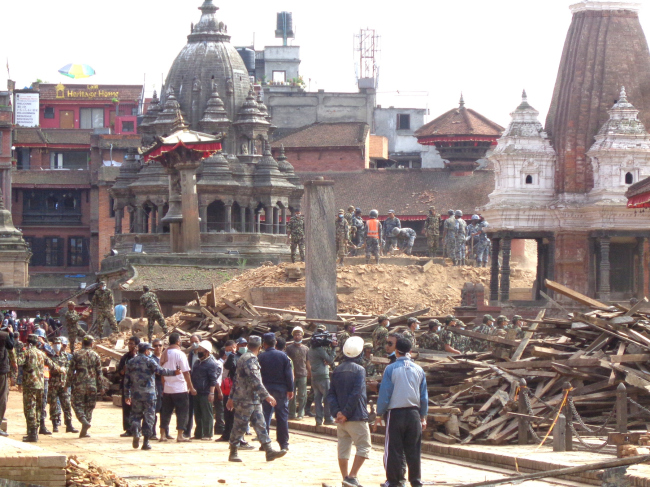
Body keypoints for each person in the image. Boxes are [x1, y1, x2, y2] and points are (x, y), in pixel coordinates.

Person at [375, 337, 428, 487]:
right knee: (413, 449)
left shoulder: (390, 369)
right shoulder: (419, 369)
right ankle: (416, 481)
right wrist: (423, 416)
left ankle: (395, 481)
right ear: (410, 351)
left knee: (394, 449)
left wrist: (379, 413)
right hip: (414, 414)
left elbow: (385, 394)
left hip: (395, 414)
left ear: (396, 351)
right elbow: (424, 396)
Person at [226, 335, 287, 462]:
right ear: (261, 346)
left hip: (252, 399)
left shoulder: (245, 357)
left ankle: (269, 450)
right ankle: (233, 451)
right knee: (240, 425)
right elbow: (255, 379)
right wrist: (267, 396)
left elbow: (236, 380)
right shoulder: (250, 359)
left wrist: (231, 397)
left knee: (261, 425)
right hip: (246, 400)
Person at [327, 337, 371, 487]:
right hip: (356, 416)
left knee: (343, 447)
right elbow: (356, 393)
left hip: (341, 419)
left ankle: (345, 476)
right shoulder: (360, 370)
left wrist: (337, 412)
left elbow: (331, 394)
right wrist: (345, 413)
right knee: (364, 446)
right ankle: (352, 476)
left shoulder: (337, 370)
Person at [125, 342, 179, 450]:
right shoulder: (150, 361)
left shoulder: (130, 362)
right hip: (149, 394)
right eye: (149, 350)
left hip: (136, 394)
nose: (150, 352)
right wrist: (174, 372)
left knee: (136, 415)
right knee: (149, 417)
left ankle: (136, 430)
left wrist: (127, 395)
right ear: (146, 351)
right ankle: (146, 442)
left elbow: (127, 380)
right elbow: (161, 371)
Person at [18, 334, 61, 442]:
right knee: (38, 408)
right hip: (41, 385)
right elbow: (52, 365)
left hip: (30, 385)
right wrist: (62, 369)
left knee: (30, 409)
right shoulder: (41, 354)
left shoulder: (26, 353)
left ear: (27, 342)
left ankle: (32, 433)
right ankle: (34, 431)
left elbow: (18, 361)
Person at [258, 333, 294, 451]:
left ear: (264, 344)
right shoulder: (283, 356)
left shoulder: (261, 357)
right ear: (276, 343)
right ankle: (284, 443)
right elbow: (289, 375)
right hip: (281, 390)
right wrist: (290, 389)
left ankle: (265, 443)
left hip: (265, 391)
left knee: (265, 416)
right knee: (282, 416)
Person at [159, 332, 195, 443]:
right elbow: (186, 372)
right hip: (180, 388)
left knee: (165, 412)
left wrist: (164, 385)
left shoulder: (164, 353)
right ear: (178, 341)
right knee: (182, 412)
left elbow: (161, 372)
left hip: (167, 388)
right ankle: (180, 435)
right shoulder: (180, 354)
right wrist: (191, 387)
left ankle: (163, 435)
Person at [219, 337, 253, 448]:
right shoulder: (234, 356)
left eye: (245, 345)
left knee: (240, 415)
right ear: (237, 346)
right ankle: (236, 439)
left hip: (244, 389)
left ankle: (238, 439)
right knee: (233, 414)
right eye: (241, 345)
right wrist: (231, 356)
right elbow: (227, 367)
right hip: (234, 389)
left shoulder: (249, 356)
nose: (243, 347)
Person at [68, 335, 103, 438]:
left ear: (82, 343)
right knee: (89, 406)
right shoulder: (95, 355)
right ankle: (85, 426)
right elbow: (99, 372)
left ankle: (83, 420)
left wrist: (67, 384)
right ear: (92, 344)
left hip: (79, 384)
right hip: (92, 385)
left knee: (76, 404)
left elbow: (70, 371)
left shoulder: (76, 354)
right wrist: (101, 387)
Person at [190, 340, 220, 441]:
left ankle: (208, 433)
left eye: (201, 350)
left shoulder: (211, 363)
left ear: (207, 351)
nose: (199, 352)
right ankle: (199, 433)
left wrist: (211, 393)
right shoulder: (197, 362)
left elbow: (213, 380)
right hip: (196, 391)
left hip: (206, 392)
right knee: (198, 414)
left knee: (207, 413)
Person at [47, 337, 78, 433]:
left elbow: (70, 369)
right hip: (53, 384)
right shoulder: (50, 357)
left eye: (59, 343)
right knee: (53, 405)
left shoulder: (66, 356)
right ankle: (55, 424)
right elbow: (49, 369)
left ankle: (69, 424)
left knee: (67, 404)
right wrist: (59, 369)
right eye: (55, 343)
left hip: (64, 384)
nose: (57, 345)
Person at [308, 327, 336, 426]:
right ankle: (328, 418)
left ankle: (318, 420)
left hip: (314, 376)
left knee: (317, 399)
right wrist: (333, 349)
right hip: (323, 376)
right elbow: (330, 359)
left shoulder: (311, 349)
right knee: (327, 398)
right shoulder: (319, 350)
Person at [285, 327, 310, 419]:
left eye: (299, 334)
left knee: (302, 394)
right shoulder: (289, 348)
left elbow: (307, 361)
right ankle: (292, 413)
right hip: (292, 375)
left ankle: (301, 413)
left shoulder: (306, 349)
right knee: (292, 395)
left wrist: (310, 372)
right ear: (293, 336)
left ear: (302, 336)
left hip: (303, 374)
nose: (297, 336)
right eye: (295, 335)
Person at [117, 336, 140, 437]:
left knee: (138, 408)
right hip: (127, 386)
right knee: (127, 408)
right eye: (129, 344)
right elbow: (119, 372)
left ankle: (138, 429)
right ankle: (128, 429)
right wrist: (124, 370)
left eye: (132, 344)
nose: (130, 346)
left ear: (136, 346)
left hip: (139, 387)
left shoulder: (140, 357)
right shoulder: (125, 358)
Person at [150, 338, 167, 440]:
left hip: (166, 387)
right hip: (156, 387)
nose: (158, 348)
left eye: (160, 345)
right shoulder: (151, 359)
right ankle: (152, 432)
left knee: (165, 411)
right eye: (156, 346)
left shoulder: (166, 358)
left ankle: (165, 432)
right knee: (154, 411)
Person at [185, 334, 201, 439]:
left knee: (199, 409)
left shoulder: (204, 354)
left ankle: (199, 432)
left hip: (201, 384)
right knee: (189, 409)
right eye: (192, 342)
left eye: (196, 341)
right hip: (191, 383)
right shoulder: (190, 354)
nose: (194, 344)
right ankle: (187, 431)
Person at [0, 322, 14, 437]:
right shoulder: (3, 336)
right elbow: (11, 346)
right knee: (2, 398)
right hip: (1, 371)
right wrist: (11, 334)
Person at [213, 347, 226, 436]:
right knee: (220, 409)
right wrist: (220, 391)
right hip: (219, 389)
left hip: (223, 388)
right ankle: (219, 427)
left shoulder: (223, 363)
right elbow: (216, 379)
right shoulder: (219, 364)